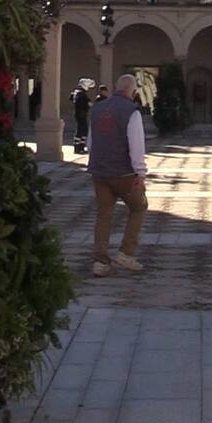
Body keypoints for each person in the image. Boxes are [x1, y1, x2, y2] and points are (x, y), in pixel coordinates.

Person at [87, 73, 149, 278]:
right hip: (123, 173)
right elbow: (136, 145)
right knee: (139, 207)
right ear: (133, 92)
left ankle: (100, 262)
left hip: (99, 171)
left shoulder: (97, 108)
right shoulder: (131, 111)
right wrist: (140, 173)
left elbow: (90, 142)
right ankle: (126, 253)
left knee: (104, 214)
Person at [70, 79, 92, 154]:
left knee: (82, 130)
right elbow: (84, 103)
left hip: (80, 114)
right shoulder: (81, 94)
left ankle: (80, 147)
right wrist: (88, 104)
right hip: (81, 114)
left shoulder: (77, 93)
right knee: (81, 130)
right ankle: (78, 148)